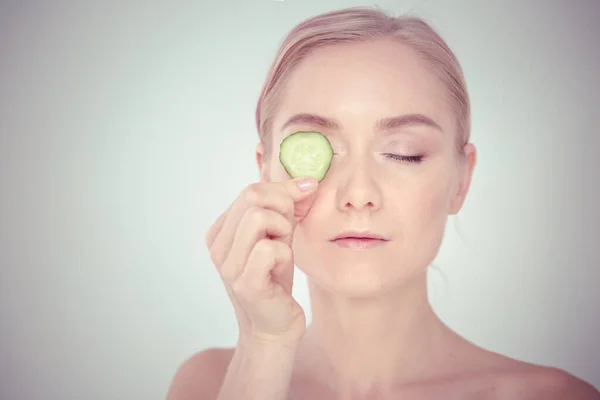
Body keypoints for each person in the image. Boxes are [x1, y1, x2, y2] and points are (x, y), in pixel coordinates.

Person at [166, 6, 600, 400]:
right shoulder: (208, 386)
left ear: (461, 180)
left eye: (404, 152)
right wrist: (263, 348)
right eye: (318, 148)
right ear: (266, 173)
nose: (358, 195)